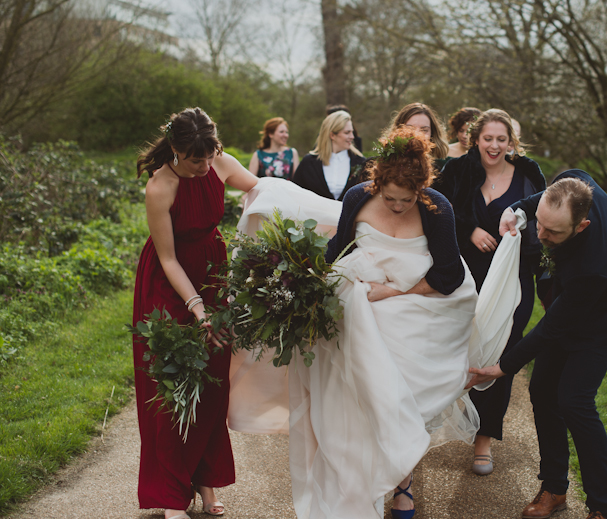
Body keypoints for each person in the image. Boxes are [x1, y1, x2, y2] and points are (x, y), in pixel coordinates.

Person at [288, 126, 480, 519]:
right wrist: (297, 277)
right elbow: (335, 249)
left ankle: (402, 482)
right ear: (377, 182)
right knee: (360, 391)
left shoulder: (436, 208)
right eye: (389, 197)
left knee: (399, 395)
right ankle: (359, 473)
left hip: (417, 300)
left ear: (421, 190)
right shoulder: (358, 197)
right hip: (360, 298)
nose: (395, 206)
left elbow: (449, 276)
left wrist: (392, 292)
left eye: (404, 200)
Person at [467, 171, 607, 519]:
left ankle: (603, 508)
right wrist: (517, 208)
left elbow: (553, 327)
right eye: (539, 224)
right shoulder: (574, 182)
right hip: (573, 297)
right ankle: (554, 488)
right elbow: (537, 203)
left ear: (582, 226)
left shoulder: (594, 264)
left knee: (574, 400)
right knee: (543, 390)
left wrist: (503, 367)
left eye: (552, 232)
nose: (540, 234)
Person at [132, 107, 260, 519]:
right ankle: (171, 496)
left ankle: (206, 485)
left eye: (210, 157)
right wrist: (197, 308)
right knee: (171, 393)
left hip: (212, 273)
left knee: (211, 387)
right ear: (175, 149)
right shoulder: (160, 186)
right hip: (168, 289)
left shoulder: (217, 161)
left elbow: (260, 190)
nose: (205, 166)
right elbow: (168, 260)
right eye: (195, 160)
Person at [438, 108, 546, 476]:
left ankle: (484, 439)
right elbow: (439, 212)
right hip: (464, 279)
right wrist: (468, 229)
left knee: (500, 356)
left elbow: (542, 222)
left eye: (502, 139)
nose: (495, 146)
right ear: (474, 138)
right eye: (489, 138)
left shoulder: (529, 175)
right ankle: (441, 419)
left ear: (511, 142)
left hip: (513, 283)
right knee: (455, 348)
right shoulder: (458, 171)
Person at [293, 110, 366, 201]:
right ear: (332, 135)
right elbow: (295, 194)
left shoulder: (362, 163)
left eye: (352, 132)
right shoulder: (308, 162)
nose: (352, 137)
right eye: (347, 133)